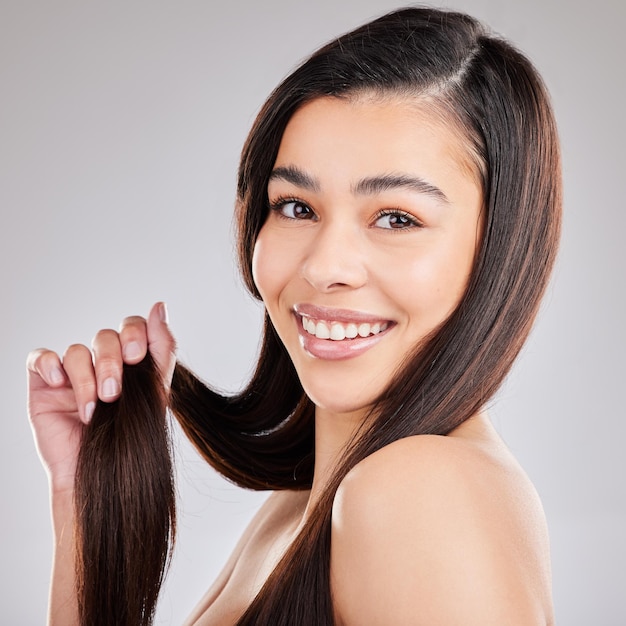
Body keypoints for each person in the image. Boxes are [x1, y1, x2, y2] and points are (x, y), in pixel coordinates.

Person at [27, 7, 561, 625]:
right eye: (296, 207)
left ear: (499, 247)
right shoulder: (303, 503)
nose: (325, 266)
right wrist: (83, 505)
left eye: (396, 218)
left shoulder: (419, 492)